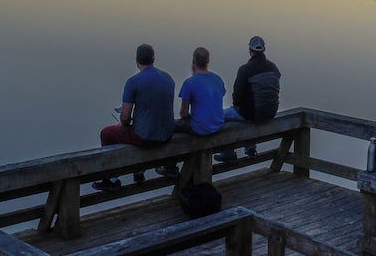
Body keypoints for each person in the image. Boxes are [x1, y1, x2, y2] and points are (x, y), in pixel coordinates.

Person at [93, 43, 175, 192]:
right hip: (167, 134)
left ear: (137, 60)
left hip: (147, 138)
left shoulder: (133, 82)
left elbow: (125, 119)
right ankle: (142, 170)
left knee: (107, 133)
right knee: (141, 126)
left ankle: (111, 179)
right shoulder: (168, 78)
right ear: (153, 58)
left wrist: (126, 120)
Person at [156, 47, 226, 179]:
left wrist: (189, 117)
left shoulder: (189, 83)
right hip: (218, 124)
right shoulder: (218, 79)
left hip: (201, 128)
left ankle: (170, 166)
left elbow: (183, 113)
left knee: (171, 126)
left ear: (193, 62)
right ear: (208, 61)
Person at [215, 35, 281, 162]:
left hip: (253, 114)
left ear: (250, 51)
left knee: (221, 116)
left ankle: (228, 153)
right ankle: (250, 147)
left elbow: (237, 99)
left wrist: (239, 104)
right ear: (264, 50)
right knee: (251, 109)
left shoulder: (245, 69)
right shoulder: (274, 67)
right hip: (271, 112)